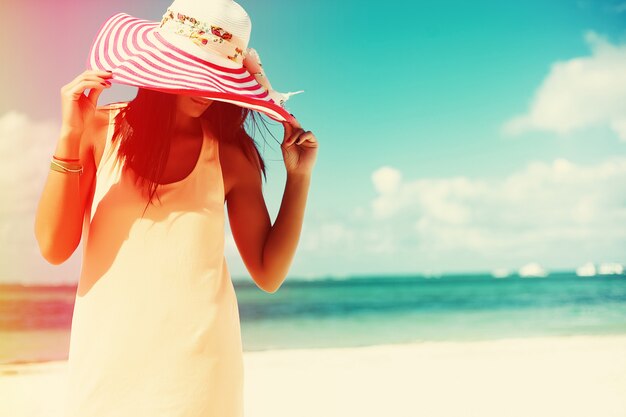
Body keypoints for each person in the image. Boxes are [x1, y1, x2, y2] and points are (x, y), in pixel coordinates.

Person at [33, 1, 318, 416]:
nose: (206, 89)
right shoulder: (98, 130)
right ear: (161, 64)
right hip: (106, 361)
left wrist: (299, 179)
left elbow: (268, 273)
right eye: (195, 73)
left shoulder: (231, 154)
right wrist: (69, 135)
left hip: (202, 371)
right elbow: (55, 247)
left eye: (217, 77)